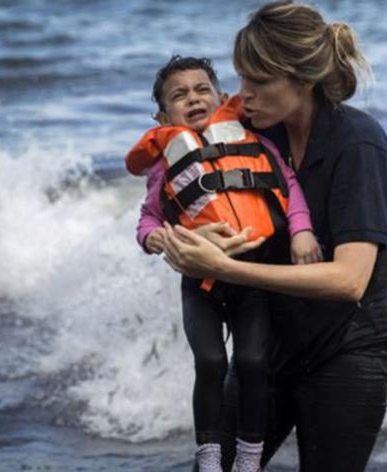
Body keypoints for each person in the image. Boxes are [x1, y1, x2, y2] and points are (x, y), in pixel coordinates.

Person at [157, 2, 387, 471]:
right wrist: (182, 242)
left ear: (302, 81)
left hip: (347, 348)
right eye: (241, 79)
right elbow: (170, 191)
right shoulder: (249, 133)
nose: (242, 96)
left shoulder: (358, 145)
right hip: (270, 342)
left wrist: (226, 268)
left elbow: (350, 280)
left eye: (259, 83)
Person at [128, 55, 322, 472]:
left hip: (252, 278)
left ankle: (249, 456)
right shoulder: (167, 165)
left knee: (254, 362)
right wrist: (154, 238)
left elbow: (287, 186)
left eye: (202, 90)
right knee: (211, 362)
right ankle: (210, 453)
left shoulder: (256, 143)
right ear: (163, 115)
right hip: (201, 284)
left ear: (221, 97)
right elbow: (148, 217)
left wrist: (302, 230)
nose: (193, 99)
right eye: (179, 96)